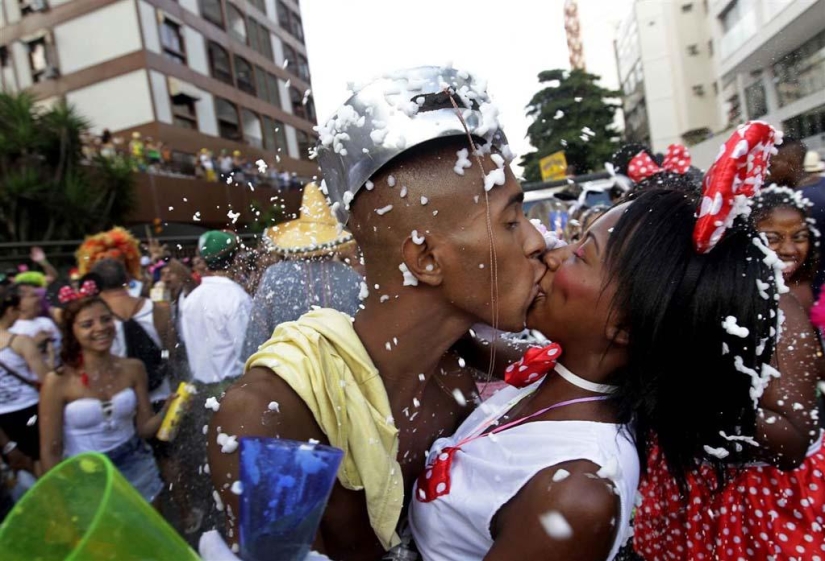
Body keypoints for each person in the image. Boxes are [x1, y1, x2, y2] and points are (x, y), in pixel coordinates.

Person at [409, 122, 791, 560]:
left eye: (579, 252)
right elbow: (476, 345)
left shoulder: (576, 493)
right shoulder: (558, 378)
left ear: (624, 328)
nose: (548, 251)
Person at [208, 66, 546, 559]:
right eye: (512, 220)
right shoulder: (273, 422)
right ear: (427, 259)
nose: (537, 242)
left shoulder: (461, 361)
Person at [38, 282, 166, 504]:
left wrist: (170, 409)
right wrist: (60, 498)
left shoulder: (133, 368)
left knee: (150, 531)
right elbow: (51, 451)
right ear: (72, 331)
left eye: (106, 319)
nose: (100, 328)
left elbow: (145, 429)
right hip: (85, 474)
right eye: (87, 324)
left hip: (137, 463)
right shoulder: (57, 382)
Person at [241, 182, 364, 358]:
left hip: (289, 376)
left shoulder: (274, 276)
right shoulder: (352, 278)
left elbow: (256, 339)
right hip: (344, 376)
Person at [0, 285, 51, 478]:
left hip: (3, 420)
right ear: (10, 311)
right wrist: (51, 357)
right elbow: (46, 378)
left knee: (21, 469)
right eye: (17, 311)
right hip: (30, 411)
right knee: (41, 461)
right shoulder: (20, 341)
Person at [753, 185, 819, 313]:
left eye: (799, 237)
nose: (789, 250)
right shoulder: (738, 297)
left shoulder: (806, 286)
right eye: (771, 238)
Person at [10, 272, 61, 368]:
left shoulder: (46, 322)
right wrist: (32, 345)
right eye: (33, 296)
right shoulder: (12, 331)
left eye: (37, 295)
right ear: (19, 302)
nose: (39, 299)